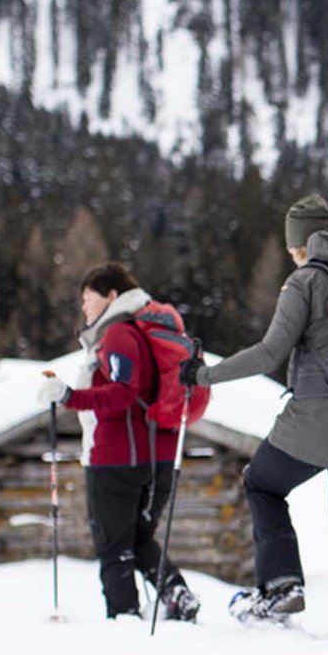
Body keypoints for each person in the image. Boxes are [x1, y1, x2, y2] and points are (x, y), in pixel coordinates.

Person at [180, 194, 328, 643]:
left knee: (262, 483)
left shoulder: (306, 280)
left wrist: (204, 374)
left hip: (316, 421)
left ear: (298, 244)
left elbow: (269, 353)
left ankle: (281, 585)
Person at [37, 263, 201, 622]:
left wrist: (69, 396)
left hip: (116, 459)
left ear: (112, 296)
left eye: (88, 298)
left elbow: (123, 393)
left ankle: (124, 617)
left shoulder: (117, 335)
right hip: (157, 456)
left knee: (114, 547)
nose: (84, 307)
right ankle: (176, 593)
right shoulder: (143, 330)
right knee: (139, 538)